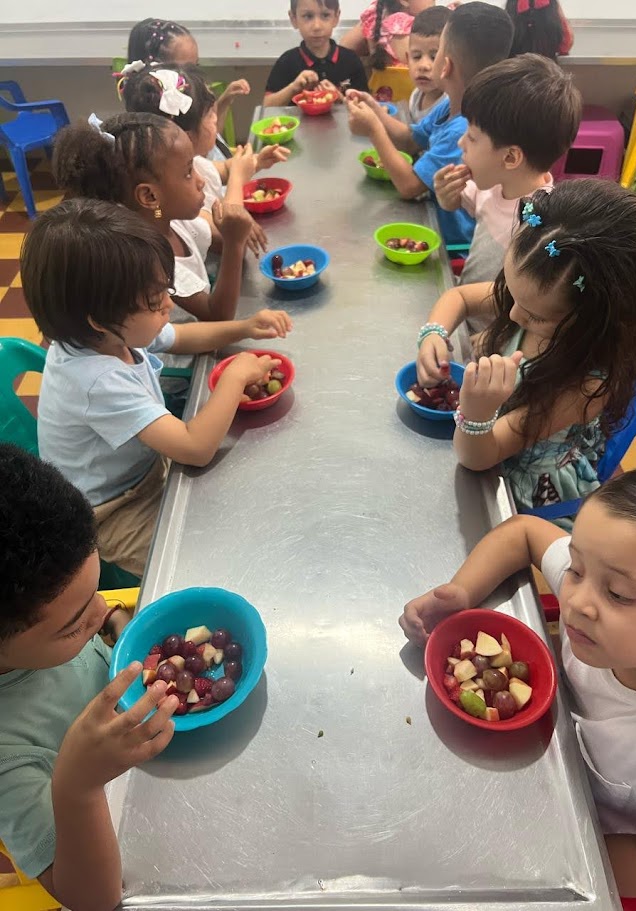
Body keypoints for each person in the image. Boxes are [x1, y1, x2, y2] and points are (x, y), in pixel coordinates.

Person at [399, 464, 636, 903]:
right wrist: (462, 591)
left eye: (619, 595)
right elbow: (525, 532)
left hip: (587, 844)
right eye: (576, 569)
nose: (576, 601)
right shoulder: (600, 588)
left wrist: (532, 847)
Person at [21, 198, 292, 577]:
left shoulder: (108, 334)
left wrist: (245, 327)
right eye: (154, 301)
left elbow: (180, 336)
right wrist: (234, 377)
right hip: (115, 511)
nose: (168, 304)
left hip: (145, 470)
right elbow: (195, 449)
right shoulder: (97, 380)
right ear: (98, 320)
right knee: (204, 561)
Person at [415, 179, 636, 525]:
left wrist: (476, 412)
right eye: (512, 293)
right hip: (485, 440)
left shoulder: (585, 386)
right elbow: (458, 297)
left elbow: (478, 458)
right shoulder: (538, 293)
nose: (513, 314)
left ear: (595, 323)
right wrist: (433, 334)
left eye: (535, 317)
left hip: (529, 493)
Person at [0, 442, 178, 911]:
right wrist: (77, 785)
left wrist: (112, 626)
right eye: (74, 624)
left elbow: (96, 613)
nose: (101, 609)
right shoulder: (7, 755)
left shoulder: (46, 619)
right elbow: (92, 900)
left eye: (97, 591)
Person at [53, 112, 251, 326]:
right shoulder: (150, 259)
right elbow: (216, 315)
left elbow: (220, 238)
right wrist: (234, 242)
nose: (201, 181)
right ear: (150, 196)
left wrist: (232, 230)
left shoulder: (165, 217)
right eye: (188, 173)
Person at [346, 2, 514, 248]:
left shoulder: (464, 129)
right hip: (435, 222)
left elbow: (409, 186)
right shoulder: (449, 105)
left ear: (445, 66)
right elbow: (410, 140)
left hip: (453, 246)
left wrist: (373, 130)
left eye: (436, 54)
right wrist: (375, 110)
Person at [433, 54, 581, 291]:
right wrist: (446, 196)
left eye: (472, 137)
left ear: (511, 157)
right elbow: (459, 201)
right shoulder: (494, 184)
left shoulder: (538, 229)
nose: (461, 143)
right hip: (462, 305)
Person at [120, 62, 291, 257]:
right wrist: (238, 178)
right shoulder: (175, 203)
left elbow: (225, 169)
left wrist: (256, 161)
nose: (216, 117)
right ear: (183, 136)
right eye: (209, 114)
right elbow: (231, 239)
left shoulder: (192, 165)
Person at [126, 18, 250, 141]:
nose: (196, 77)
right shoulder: (167, 128)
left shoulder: (191, 99)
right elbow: (205, 142)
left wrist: (225, 100)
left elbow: (211, 137)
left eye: (196, 66)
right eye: (187, 70)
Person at [264, 0, 369, 107]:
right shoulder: (286, 62)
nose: (317, 26)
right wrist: (293, 88)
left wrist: (339, 98)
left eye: (325, 15)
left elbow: (366, 108)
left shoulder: (351, 60)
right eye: (308, 16)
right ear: (294, 18)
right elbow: (267, 106)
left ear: (336, 17)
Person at [406, 6, 449, 123]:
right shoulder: (416, 96)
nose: (423, 66)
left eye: (434, 57)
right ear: (407, 58)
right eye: (417, 56)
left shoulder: (449, 105)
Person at [505, 0, 573, 61]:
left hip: (512, 68)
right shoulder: (552, 9)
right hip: (546, 68)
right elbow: (565, 45)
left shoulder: (505, 23)